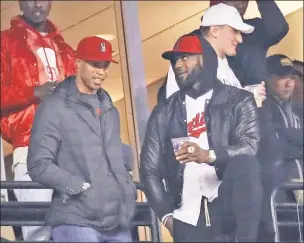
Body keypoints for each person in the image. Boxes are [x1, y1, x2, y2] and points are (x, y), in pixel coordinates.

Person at [140, 35, 262, 242]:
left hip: (227, 208)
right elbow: (149, 169)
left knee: (246, 164)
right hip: (187, 215)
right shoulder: (164, 111)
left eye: (186, 57)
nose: (178, 65)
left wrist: (209, 155)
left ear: (206, 59)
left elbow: (250, 146)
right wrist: (167, 218)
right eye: (174, 60)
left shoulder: (238, 100)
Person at [27, 36, 136, 242]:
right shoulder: (54, 107)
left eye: (104, 66)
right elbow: (38, 164)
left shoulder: (109, 109)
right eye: (95, 64)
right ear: (78, 63)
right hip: (74, 220)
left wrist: (127, 190)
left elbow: (114, 158)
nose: (101, 72)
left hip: (116, 222)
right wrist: (80, 187)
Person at [0, 0, 75, 240]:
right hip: (31, 144)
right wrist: (33, 92)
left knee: (77, 227)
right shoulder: (5, 42)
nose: (37, 4)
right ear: (20, 2)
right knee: (37, 230)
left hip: (71, 148)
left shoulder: (64, 48)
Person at [158, 0, 288, 103]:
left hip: (251, 119)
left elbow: (279, 28)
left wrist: (248, 95)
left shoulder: (251, 32)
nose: (241, 3)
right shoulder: (192, 45)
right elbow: (175, 103)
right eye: (235, 31)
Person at [257, 54, 303, 242]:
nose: (289, 83)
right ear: (268, 78)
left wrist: (286, 134)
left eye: (292, 78)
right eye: (283, 77)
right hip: (277, 194)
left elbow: (282, 143)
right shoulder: (261, 108)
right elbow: (272, 148)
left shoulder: (298, 110)